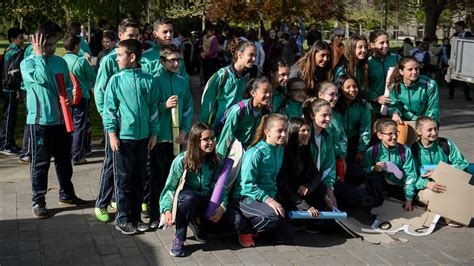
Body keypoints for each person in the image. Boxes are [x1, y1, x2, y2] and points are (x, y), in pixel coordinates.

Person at [20, 21, 88, 219]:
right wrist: (39, 55)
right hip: (40, 122)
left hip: (61, 121)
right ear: (37, 43)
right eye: (46, 45)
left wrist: (67, 94)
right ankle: (38, 201)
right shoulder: (28, 63)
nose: (50, 48)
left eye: (52, 44)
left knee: (64, 161)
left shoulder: (60, 62)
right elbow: (41, 78)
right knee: (40, 164)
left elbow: (67, 84)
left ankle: (67, 194)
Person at [160, 122, 245, 256]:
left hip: (207, 202)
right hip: (188, 201)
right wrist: (167, 210)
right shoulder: (181, 160)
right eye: (206, 139)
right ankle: (179, 238)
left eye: (213, 138)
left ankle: (201, 225)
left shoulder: (216, 161)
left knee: (237, 221)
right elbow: (169, 188)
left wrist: (222, 207)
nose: (211, 142)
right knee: (189, 198)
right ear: (195, 141)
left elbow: (221, 187)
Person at [103, 39, 160, 235]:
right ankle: (123, 218)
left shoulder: (149, 80)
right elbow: (109, 110)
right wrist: (112, 134)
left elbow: (153, 109)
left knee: (139, 179)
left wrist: (153, 132)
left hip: (143, 138)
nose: (116, 58)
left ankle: (135, 217)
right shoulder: (115, 80)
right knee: (124, 180)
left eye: (119, 55)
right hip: (123, 139)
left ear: (132, 57)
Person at [94, 18, 140, 223]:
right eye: (130, 35)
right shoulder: (111, 60)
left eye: (137, 35)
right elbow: (100, 91)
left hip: (132, 125)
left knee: (128, 166)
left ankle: (117, 199)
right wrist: (107, 119)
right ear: (120, 36)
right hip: (114, 122)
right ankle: (101, 203)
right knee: (111, 162)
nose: (134, 39)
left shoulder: (138, 58)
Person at [148, 44, 194, 227]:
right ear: (162, 61)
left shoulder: (183, 82)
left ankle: (172, 212)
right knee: (157, 178)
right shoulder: (155, 81)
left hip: (176, 139)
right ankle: (154, 214)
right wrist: (164, 106)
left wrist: (184, 130)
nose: (176, 63)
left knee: (174, 177)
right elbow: (149, 108)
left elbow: (188, 108)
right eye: (172, 60)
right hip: (159, 137)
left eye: (178, 60)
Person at [233, 113, 294, 247]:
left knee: (287, 236)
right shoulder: (255, 153)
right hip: (245, 196)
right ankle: (245, 229)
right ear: (267, 132)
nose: (284, 135)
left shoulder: (280, 150)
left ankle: (261, 228)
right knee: (272, 217)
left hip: (267, 196)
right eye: (279, 131)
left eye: (285, 130)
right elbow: (247, 185)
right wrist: (269, 200)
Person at [303, 97, 364, 209]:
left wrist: (329, 187)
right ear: (312, 115)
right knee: (324, 206)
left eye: (330, 115)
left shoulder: (327, 135)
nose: (328, 118)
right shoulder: (305, 136)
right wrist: (326, 195)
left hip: (323, 180)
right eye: (324, 115)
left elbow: (329, 165)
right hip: (308, 183)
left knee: (357, 198)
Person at [277, 117, 327, 232]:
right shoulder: (284, 152)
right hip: (287, 194)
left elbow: (316, 175)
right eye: (303, 131)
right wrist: (305, 206)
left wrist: (309, 186)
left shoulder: (305, 150)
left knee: (321, 188)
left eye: (308, 131)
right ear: (294, 132)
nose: (307, 134)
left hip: (301, 190)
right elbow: (282, 186)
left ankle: (311, 220)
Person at [363, 119, 425, 210]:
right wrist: (373, 168)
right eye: (390, 134)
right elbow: (364, 170)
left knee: (411, 199)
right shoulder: (372, 151)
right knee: (373, 178)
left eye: (396, 133)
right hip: (381, 186)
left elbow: (410, 175)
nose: (395, 136)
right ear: (380, 135)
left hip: (399, 187)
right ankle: (377, 207)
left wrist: (408, 198)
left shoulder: (405, 151)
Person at [200, 38, 256, 129]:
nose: (254, 59)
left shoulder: (247, 78)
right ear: (240, 55)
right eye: (251, 55)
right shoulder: (222, 75)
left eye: (255, 56)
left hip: (236, 127)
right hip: (217, 127)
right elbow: (207, 101)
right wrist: (204, 126)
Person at [215, 76, 272, 158]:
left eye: (270, 92)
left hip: (251, 154)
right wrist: (220, 158)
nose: (268, 95)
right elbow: (226, 136)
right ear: (253, 93)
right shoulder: (239, 110)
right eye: (265, 92)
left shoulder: (267, 111)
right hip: (233, 153)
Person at [63, 34, 96, 165]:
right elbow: (92, 76)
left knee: (67, 125)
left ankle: (67, 152)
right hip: (81, 96)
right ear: (77, 46)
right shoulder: (81, 61)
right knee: (79, 125)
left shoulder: (61, 60)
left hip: (66, 96)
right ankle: (76, 155)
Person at [333, 75, 371, 188]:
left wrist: (361, 150)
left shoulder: (362, 105)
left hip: (353, 141)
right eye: (348, 87)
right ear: (340, 89)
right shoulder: (334, 105)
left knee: (357, 174)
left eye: (354, 86)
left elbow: (365, 129)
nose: (352, 90)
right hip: (337, 143)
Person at [387, 56, 439, 124]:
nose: (414, 72)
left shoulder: (430, 84)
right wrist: (394, 113)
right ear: (401, 71)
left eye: (416, 68)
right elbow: (394, 105)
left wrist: (426, 123)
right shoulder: (395, 85)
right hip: (403, 122)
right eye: (410, 69)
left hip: (425, 122)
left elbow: (433, 108)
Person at [140, 17, 189, 82]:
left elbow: (185, 79)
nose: (169, 35)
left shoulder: (178, 54)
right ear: (155, 34)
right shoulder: (145, 57)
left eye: (171, 31)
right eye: (165, 32)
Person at [0, 27, 25, 155]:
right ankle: (4, 144)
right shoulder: (12, 52)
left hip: (12, 89)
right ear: (13, 39)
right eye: (21, 38)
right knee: (8, 116)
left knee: (12, 117)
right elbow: (13, 72)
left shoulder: (15, 50)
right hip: (9, 89)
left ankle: (10, 141)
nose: (23, 40)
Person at [366, 30, 400, 117]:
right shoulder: (367, 63)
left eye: (387, 42)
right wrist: (375, 98)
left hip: (396, 107)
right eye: (381, 43)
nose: (385, 45)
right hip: (375, 109)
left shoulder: (397, 58)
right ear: (372, 45)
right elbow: (364, 86)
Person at [448, 21, 472, 101]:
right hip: (455, 59)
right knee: (452, 78)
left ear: (461, 27)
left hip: (464, 59)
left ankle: (467, 96)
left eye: (456, 27)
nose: (455, 28)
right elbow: (449, 46)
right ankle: (451, 94)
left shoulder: (468, 35)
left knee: (465, 79)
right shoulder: (455, 35)